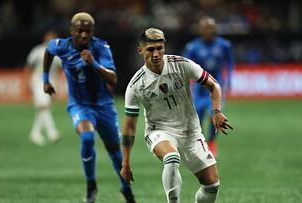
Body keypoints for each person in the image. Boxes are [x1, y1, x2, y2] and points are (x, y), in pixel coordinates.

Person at [120, 28, 233, 203]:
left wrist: (216, 111)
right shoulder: (135, 85)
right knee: (172, 158)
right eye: (151, 49)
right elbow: (129, 127)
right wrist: (125, 162)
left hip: (191, 130)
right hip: (159, 131)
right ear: (140, 50)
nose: (156, 54)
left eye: (159, 48)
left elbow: (214, 85)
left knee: (212, 185)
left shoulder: (181, 64)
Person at [42, 12, 136, 203]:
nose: (84, 35)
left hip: (104, 106)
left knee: (115, 153)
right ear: (72, 31)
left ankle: (126, 190)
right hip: (80, 105)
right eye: (80, 31)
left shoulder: (101, 47)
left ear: (92, 31)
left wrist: (93, 63)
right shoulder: (62, 45)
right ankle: (91, 185)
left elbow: (113, 79)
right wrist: (45, 80)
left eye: (88, 31)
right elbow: (48, 50)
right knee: (86, 137)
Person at [183, 16, 234, 156]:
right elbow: (184, 67)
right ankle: (201, 142)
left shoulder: (224, 45)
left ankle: (211, 142)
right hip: (199, 90)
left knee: (216, 116)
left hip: (215, 89)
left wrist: (228, 80)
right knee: (197, 118)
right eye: (205, 28)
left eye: (210, 28)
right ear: (201, 30)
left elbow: (229, 62)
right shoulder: (193, 46)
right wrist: (185, 85)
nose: (208, 31)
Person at [25, 31, 61, 146]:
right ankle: (52, 132)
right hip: (37, 82)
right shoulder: (37, 51)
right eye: (48, 38)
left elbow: (61, 69)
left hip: (52, 83)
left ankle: (34, 133)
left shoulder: (58, 53)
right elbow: (29, 66)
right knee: (44, 107)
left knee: (44, 108)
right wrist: (26, 81)